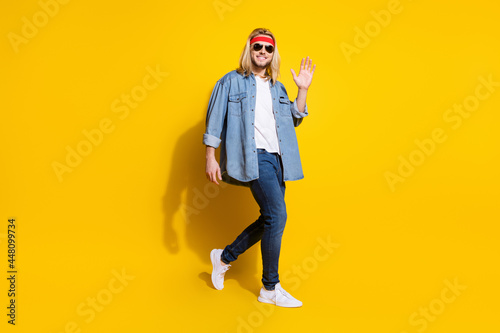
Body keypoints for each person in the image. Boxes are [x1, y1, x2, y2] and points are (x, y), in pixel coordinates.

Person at [203, 27, 316, 308]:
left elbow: (295, 118)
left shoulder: (278, 87)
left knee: (270, 218)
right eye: (258, 47)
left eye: (268, 48)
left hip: (279, 160)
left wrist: (302, 90)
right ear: (249, 50)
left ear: (272, 53)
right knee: (278, 216)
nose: (262, 52)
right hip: (253, 156)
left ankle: (224, 257)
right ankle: (270, 287)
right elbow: (214, 120)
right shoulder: (230, 82)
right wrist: (210, 156)